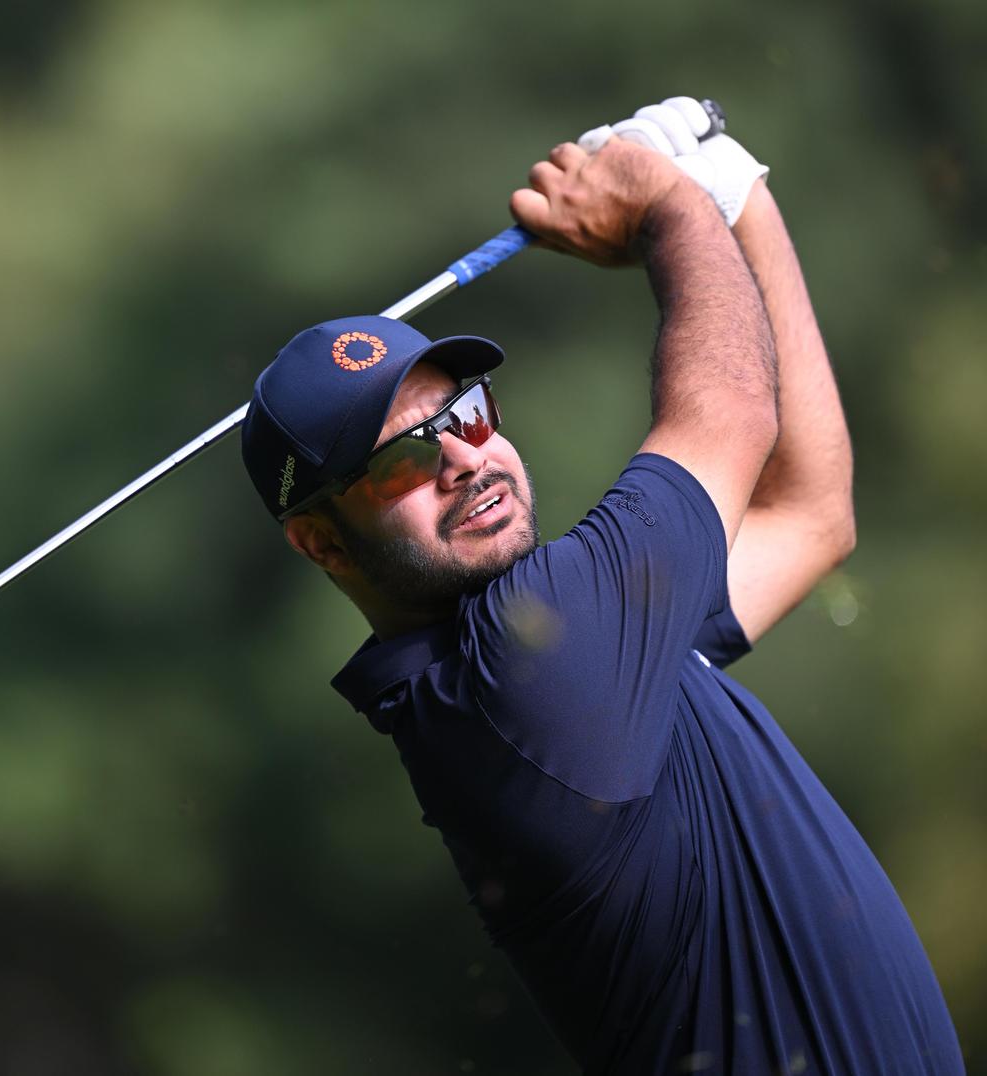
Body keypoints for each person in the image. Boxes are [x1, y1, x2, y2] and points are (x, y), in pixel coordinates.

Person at [241, 98, 963, 1074]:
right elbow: (734, 410)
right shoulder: (526, 669)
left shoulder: (576, 662)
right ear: (323, 543)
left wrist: (739, 197)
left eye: (469, 410)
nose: (464, 454)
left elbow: (808, 510)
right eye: (405, 458)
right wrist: (668, 205)